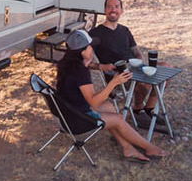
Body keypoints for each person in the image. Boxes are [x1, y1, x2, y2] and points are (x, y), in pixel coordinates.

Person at [55, 29, 166, 163]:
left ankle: (127, 148)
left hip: (66, 112)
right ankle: (149, 148)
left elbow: (87, 68)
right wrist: (114, 82)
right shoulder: (80, 72)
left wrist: (101, 66)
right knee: (118, 119)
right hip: (75, 120)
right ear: (83, 51)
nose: (92, 49)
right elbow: (94, 102)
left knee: (108, 106)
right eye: (90, 47)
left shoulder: (67, 63)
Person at [88, 0, 161, 121]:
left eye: (116, 7)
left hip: (135, 69)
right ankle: (138, 109)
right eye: (109, 7)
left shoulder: (124, 30)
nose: (113, 10)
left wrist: (139, 61)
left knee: (166, 69)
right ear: (104, 10)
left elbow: (136, 51)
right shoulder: (95, 33)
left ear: (121, 10)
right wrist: (101, 67)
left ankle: (149, 108)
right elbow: (84, 61)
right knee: (145, 82)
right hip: (117, 75)